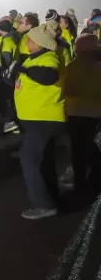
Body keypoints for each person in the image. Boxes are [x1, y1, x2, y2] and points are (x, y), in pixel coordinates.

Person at [11, 25, 66, 220]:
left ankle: (44, 205)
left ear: (40, 43)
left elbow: (49, 76)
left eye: (30, 40)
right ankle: (53, 197)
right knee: (44, 161)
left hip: (43, 119)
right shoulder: (33, 58)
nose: (27, 42)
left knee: (29, 160)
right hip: (35, 118)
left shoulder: (49, 57)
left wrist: (23, 69)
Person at [63, 34, 101, 195]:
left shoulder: (74, 66)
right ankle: (94, 179)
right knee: (92, 146)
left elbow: (67, 89)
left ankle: (80, 183)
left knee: (79, 150)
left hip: (78, 113)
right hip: (96, 113)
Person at [0, 19, 21, 133]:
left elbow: (6, 57)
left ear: (0, 29)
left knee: (1, 98)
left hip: (6, 73)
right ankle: (14, 121)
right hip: (13, 72)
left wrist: (5, 72)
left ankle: (9, 121)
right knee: (10, 97)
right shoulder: (13, 37)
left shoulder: (7, 41)